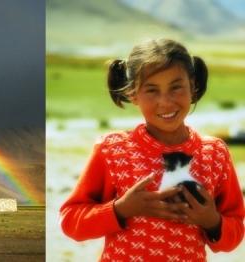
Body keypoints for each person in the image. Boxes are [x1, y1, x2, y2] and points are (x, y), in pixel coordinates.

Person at [60, 38, 244, 260]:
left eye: (176, 87)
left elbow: (235, 231)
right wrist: (120, 209)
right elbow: (71, 221)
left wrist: (212, 221)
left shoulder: (214, 153)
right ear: (133, 94)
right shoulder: (112, 150)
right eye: (152, 90)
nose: (165, 102)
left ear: (193, 86)